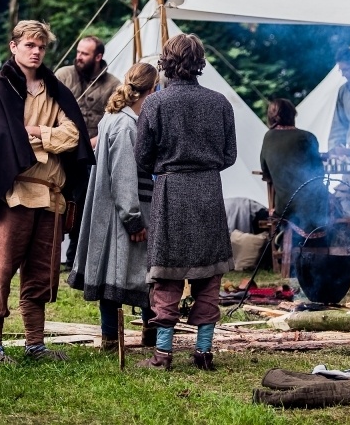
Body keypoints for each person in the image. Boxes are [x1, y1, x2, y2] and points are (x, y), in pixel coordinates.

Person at [0, 20, 94, 364]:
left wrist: (36, 133)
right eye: (29, 45)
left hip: (51, 197)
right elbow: (6, 140)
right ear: (14, 47)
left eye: (41, 47)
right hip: (15, 194)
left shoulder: (55, 89)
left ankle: (35, 345)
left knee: (41, 273)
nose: (36, 52)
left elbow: (74, 136)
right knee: (1, 268)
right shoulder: (2, 89)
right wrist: (49, 137)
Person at [135, 34, 236, 371]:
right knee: (209, 276)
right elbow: (229, 155)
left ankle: (163, 356)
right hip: (208, 192)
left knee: (167, 274)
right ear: (199, 61)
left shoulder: (154, 104)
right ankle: (203, 352)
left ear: (167, 61)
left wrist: (171, 166)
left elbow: (142, 158)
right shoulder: (220, 102)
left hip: (170, 193)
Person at [67, 62, 158, 351]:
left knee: (113, 272)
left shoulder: (112, 118)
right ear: (151, 90)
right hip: (125, 210)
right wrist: (133, 219)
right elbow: (123, 175)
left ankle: (114, 337)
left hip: (112, 209)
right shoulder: (125, 125)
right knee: (141, 275)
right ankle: (141, 335)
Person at [56, 36, 121, 271]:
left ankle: (75, 259)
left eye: (85, 53)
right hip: (61, 153)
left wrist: (92, 141)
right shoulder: (63, 76)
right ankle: (52, 256)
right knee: (57, 203)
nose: (79, 57)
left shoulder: (113, 85)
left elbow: (114, 120)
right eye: (78, 51)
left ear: (98, 57)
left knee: (83, 206)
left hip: (91, 156)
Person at [260, 98, 328, 235]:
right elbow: (320, 173)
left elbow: (265, 172)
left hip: (284, 209)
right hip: (312, 209)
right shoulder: (307, 137)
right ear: (292, 115)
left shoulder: (268, 137)